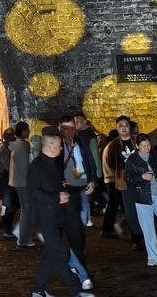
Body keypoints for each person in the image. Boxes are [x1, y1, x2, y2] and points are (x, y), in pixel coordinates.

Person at [28, 129, 96, 297]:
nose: (60, 149)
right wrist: (56, 197)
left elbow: (59, 185)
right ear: (50, 146)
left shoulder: (55, 163)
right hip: (45, 217)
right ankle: (76, 291)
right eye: (59, 146)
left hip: (57, 215)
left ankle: (37, 290)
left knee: (51, 254)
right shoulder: (36, 166)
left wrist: (67, 191)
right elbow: (33, 193)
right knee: (61, 253)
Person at [122, 133, 157, 268]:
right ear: (137, 146)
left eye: (148, 145)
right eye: (143, 146)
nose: (147, 148)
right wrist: (141, 177)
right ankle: (152, 257)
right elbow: (128, 179)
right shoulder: (132, 160)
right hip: (142, 199)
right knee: (148, 230)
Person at [59, 115, 96, 291]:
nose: (69, 131)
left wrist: (93, 181)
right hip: (67, 193)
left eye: (72, 127)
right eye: (65, 128)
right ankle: (83, 275)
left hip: (82, 190)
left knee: (80, 233)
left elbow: (91, 164)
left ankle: (73, 263)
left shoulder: (81, 144)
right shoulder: (57, 147)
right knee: (75, 235)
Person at [100, 116, 137, 240]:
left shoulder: (136, 141)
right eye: (120, 126)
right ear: (117, 128)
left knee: (113, 204)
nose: (124, 128)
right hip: (117, 180)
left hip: (132, 180)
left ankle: (107, 229)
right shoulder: (113, 146)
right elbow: (111, 163)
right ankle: (134, 236)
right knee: (127, 208)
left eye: (126, 125)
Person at [6, 121, 35, 247]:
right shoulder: (21, 146)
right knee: (26, 210)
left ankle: (23, 236)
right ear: (23, 132)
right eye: (27, 130)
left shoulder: (17, 145)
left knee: (25, 210)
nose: (28, 132)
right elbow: (25, 168)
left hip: (17, 181)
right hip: (23, 182)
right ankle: (24, 239)